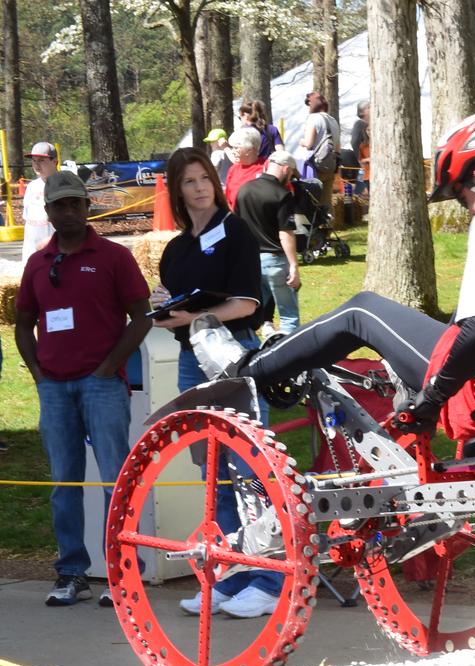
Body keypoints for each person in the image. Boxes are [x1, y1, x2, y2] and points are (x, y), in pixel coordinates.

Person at [195, 99, 475, 454]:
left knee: (363, 311)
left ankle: (246, 369)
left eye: (463, 198)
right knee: (442, 326)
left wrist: (432, 401)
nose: (470, 210)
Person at [13, 172, 151, 606]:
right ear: (49, 212)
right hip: (54, 388)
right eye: (61, 205)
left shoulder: (113, 256)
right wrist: (38, 375)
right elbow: (22, 323)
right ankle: (71, 572)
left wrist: (109, 367)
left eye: (76, 203)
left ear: (88, 208)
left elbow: (142, 316)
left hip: (102, 384)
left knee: (115, 479)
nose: (69, 211)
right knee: (64, 483)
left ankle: (123, 573)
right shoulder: (38, 262)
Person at [151, 148, 274, 619]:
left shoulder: (235, 231)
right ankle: (230, 576)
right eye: (189, 181)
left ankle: (269, 580)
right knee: (213, 475)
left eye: (205, 178)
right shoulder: (176, 249)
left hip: (232, 352)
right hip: (191, 358)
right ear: (177, 191)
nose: (200, 187)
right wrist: (164, 308)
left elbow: (246, 304)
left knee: (249, 470)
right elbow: (174, 306)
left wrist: (193, 316)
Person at [235, 150, 302, 333]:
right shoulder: (282, 194)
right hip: (275, 261)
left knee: (250, 313)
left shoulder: (244, 189)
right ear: (286, 169)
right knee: (289, 316)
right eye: (291, 174)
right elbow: (285, 233)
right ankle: (290, 348)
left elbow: (237, 227)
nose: (290, 179)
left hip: (251, 262)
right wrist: (294, 265)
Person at [299, 91, 341, 215]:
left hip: (316, 166)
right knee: (327, 202)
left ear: (313, 104)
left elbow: (309, 143)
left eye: (309, 103)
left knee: (312, 201)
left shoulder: (313, 118)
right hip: (330, 166)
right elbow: (338, 147)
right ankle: (328, 224)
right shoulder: (333, 120)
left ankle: (314, 225)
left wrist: (301, 142)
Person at [21, 142, 59, 262]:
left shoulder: (64, 185)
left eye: (42, 160)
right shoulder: (31, 187)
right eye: (34, 160)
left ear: (54, 161)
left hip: (55, 253)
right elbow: (28, 220)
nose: (36, 165)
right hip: (31, 253)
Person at [223, 126, 264, 210]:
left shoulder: (267, 168)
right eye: (232, 148)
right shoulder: (233, 169)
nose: (233, 152)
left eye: (236, 148)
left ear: (249, 150)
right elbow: (227, 200)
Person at [340, 100, 370, 196]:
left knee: (360, 189)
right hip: (356, 162)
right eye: (369, 107)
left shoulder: (367, 125)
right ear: (362, 112)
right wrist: (360, 159)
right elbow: (354, 141)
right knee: (360, 189)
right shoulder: (360, 123)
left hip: (362, 165)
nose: (372, 109)